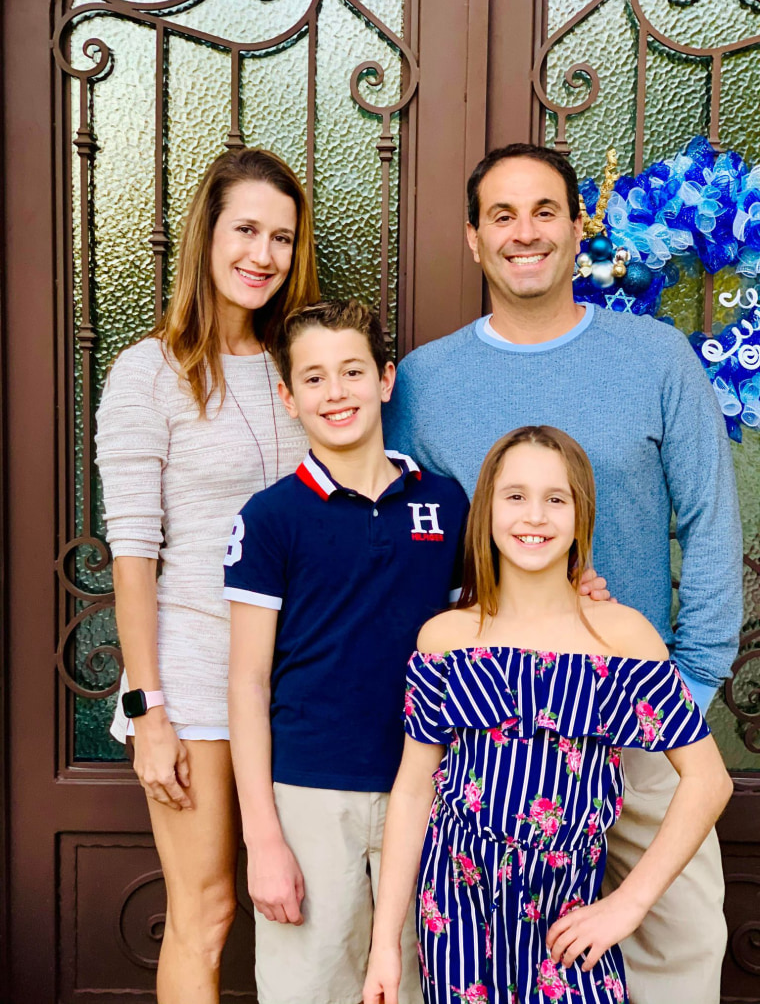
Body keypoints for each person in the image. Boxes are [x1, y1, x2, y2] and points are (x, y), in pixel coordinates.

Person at [383, 143, 743, 1003]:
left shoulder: (658, 359)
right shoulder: (426, 382)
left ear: (579, 226)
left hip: (643, 718)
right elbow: (405, 543)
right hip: (498, 750)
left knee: (683, 949)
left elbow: (710, 525)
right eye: (500, 215)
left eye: (545, 210)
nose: (524, 233)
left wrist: (683, 689)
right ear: (473, 238)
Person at [364, 425, 733, 1004]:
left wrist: (626, 906)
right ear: (487, 508)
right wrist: (386, 943)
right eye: (515, 496)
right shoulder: (446, 637)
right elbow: (414, 791)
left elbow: (709, 780)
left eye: (555, 499)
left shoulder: (620, 637)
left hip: (569, 920)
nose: (533, 516)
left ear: (580, 514)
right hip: (458, 916)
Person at [95, 148, 319, 1004]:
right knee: (210, 910)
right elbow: (132, 552)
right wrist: (147, 711)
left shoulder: (303, 368)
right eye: (247, 230)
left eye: (283, 238)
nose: (263, 255)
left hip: (300, 675)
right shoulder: (149, 373)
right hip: (191, 676)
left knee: (309, 905)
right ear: (208, 236)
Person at [223, 298, 470, 1004]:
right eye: (315, 378)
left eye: (353, 371)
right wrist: (263, 838)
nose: (337, 392)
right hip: (309, 796)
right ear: (288, 396)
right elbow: (246, 681)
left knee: (422, 981)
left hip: (428, 788)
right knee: (312, 985)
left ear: (386, 379)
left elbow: (480, 633)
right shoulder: (270, 518)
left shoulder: (447, 503)